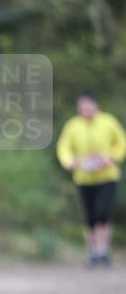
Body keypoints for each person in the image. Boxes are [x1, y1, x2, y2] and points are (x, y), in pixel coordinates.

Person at [56, 91, 126, 267]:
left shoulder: (108, 122)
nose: (86, 109)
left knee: (102, 212)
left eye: (89, 105)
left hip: (107, 176)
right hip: (84, 178)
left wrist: (111, 157)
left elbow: (121, 143)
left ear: (96, 105)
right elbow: (64, 146)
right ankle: (93, 252)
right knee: (90, 216)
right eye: (82, 106)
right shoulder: (73, 126)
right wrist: (68, 161)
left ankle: (103, 250)